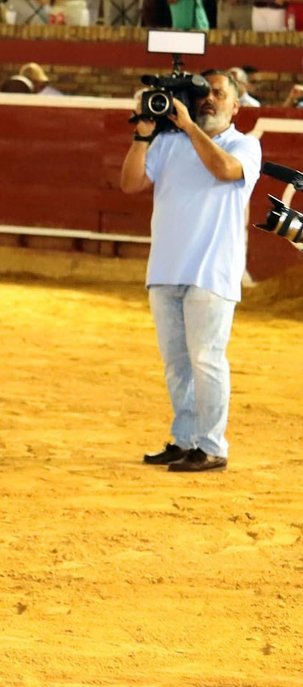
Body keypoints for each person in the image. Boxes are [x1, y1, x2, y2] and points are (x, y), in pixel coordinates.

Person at [123, 66, 262, 475]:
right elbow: (130, 183)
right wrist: (143, 135)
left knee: (206, 359)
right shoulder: (168, 143)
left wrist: (186, 125)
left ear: (237, 105)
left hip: (212, 271)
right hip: (166, 268)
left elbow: (222, 170)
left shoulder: (244, 146)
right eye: (204, 93)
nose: (209, 100)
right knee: (177, 364)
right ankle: (185, 439)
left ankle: (212, 445)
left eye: (219, 94)